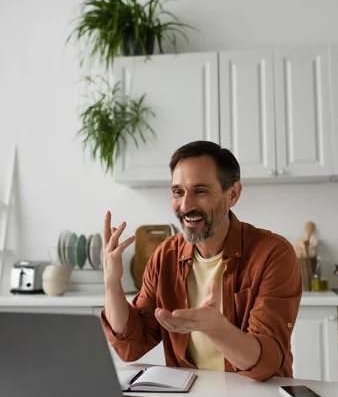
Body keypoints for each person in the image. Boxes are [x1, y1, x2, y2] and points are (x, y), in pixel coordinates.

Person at [101, 141, 302, 381]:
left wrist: (216, 328)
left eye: (201, 191)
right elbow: (131, 346)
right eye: (178, 192)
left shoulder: (273, 254)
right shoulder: (165, 256)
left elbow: (265, 364)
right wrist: (111, 282)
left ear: (233, 194)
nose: (185, 206)